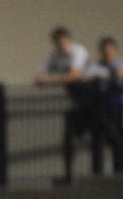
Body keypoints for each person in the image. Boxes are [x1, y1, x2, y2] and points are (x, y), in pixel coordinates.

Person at [34, 26, 95, 183]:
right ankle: (69, 175)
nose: (61, 46)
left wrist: (51, 80)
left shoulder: (78, 52)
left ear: (68, 40)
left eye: (63, 42)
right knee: (69, 136)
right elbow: (41, 75)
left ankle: (100, 171)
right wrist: (49, 78)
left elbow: (74, 75)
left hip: (94, 96)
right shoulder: (55, 56)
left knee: (100, 134)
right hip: (77, 99)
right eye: (58, 43)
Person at [84, 36, 123, 172]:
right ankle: (98, 172)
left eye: (109, 50)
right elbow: (86, 78)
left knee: (122, 138)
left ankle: (121, 167)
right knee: (101, 140)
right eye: (104, 51)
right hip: (102, 109)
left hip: (121, 106)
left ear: (115, 50)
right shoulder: (95, 66)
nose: (107, 53)